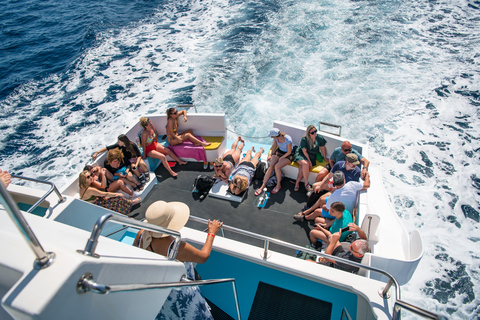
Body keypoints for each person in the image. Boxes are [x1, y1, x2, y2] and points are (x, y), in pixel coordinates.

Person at [133, 201, 222, 319]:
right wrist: (211, 233)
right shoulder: (176, 246)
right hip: (179, 292)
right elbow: (203, 256)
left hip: (158, 292)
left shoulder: (141, 234)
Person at [293, 170, 370, 222]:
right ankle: (307, 211)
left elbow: (326, 209)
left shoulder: (334, 196)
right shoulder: (352, 184)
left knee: (317, 211)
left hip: (343, 214)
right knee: (322, 198)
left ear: (334, 182)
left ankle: (305, 217)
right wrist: (367, 176)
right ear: (344, 180)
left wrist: (323, 206)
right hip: (346, 208)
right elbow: (367, 185)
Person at [255, 128, 293, 195]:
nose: (272, 137)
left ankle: (278, 185)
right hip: (279, 151)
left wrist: (281, 158)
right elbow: (274, 146)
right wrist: (271, 155)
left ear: (275, 136)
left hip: (288, 154)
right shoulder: (276, 138)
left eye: (272, 136)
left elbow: (289, 152)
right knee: (271, 167)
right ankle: (262, 186)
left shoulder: (287, 139)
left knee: (277, 167)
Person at [292, 125, 328, 192]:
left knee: (301, 169)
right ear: (309, 133)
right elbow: (304, 152)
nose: (315, 133)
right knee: (305, 164)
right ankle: (306, 183)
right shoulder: (304, 139)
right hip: (301, 154)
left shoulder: (319, 138)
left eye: (315, 131)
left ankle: (297, 183)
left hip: (311, 156)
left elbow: (322, 148)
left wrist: (325, 157)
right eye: (312, 133)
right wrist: (310, 162)